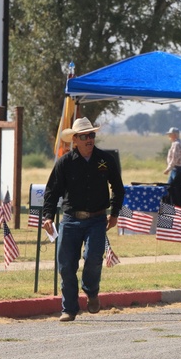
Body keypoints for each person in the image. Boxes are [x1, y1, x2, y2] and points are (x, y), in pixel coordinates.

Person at [42, 117, 126, 322]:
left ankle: (91, 291)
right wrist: (47, 216)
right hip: (70, 220)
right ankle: (69, 309)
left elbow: (118, 188)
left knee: (94, 258)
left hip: (97, 220)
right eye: (84, 136)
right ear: (75, 140)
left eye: (92, 135)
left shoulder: (105, 160)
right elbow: (52, 191)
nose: (89, 139)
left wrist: (114, 214)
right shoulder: (65, 163)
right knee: (66, 265)